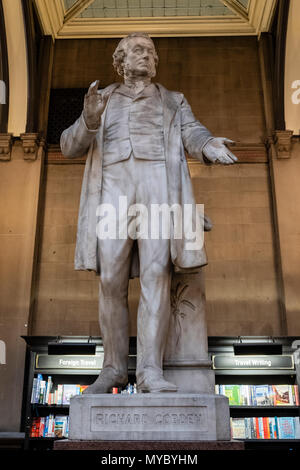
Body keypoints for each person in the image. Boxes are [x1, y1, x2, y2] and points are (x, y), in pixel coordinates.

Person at [60, 32, 237, 393]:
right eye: (139, 50)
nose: (147, 56)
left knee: (158, 276)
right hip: (113, 191)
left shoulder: (173, 100)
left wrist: (208, 145)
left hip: (158, 188)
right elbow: (68, 147)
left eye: (151, 52)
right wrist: (88, 121)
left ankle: (149, 372)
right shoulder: (102, 99)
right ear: (121, 60)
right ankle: (112, 369)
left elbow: (193, 132)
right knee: (110, 280)